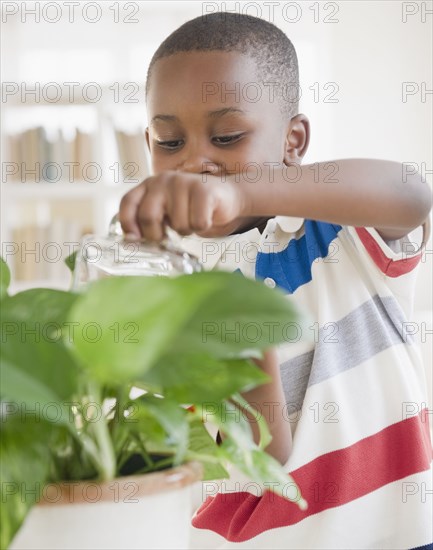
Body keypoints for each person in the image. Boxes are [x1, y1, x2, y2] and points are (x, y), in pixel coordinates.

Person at [119, 12, 432, 550]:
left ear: (293, 140)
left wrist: (245, 194)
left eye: (227, 136)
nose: (196, 162)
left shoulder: (342, 234)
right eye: (169, 143)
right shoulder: (171, 283)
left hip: (398, 532)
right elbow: (261, 455)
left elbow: (412, 192)